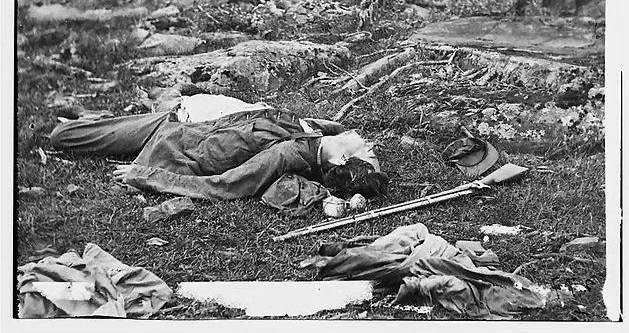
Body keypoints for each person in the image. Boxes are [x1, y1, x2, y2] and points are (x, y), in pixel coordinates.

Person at [50, 94, 388, 202]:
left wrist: (145, 175)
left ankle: (91, 122)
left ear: (343, 157)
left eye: (368, 150)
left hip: (168, 146)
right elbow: (337, 132)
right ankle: (93, 116)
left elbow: (222, 186)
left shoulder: (286, 155)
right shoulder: (318, 134)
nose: (370, 143)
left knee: (60, 138)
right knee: (71, 133)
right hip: (184, 120)